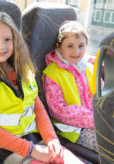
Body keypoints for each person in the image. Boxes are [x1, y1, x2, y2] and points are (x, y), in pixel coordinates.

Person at [0, 12, 83, 164]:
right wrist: (33, 150)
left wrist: (51, 140)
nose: (1, 46)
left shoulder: (24, 71)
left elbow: (38, 109)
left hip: (32, 140)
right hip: (1, 150)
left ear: (15, 41)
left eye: (7, 40)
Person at [42, 20, 98, 152]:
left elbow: (102, 94)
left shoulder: (88, 68)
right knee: (112, 145)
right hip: (72, 130)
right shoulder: (53, 74)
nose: (76, 51)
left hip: (95, 121)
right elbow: (57, 110)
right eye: (70, 46)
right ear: (59, 47)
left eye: (81, 46)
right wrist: (94, 119)